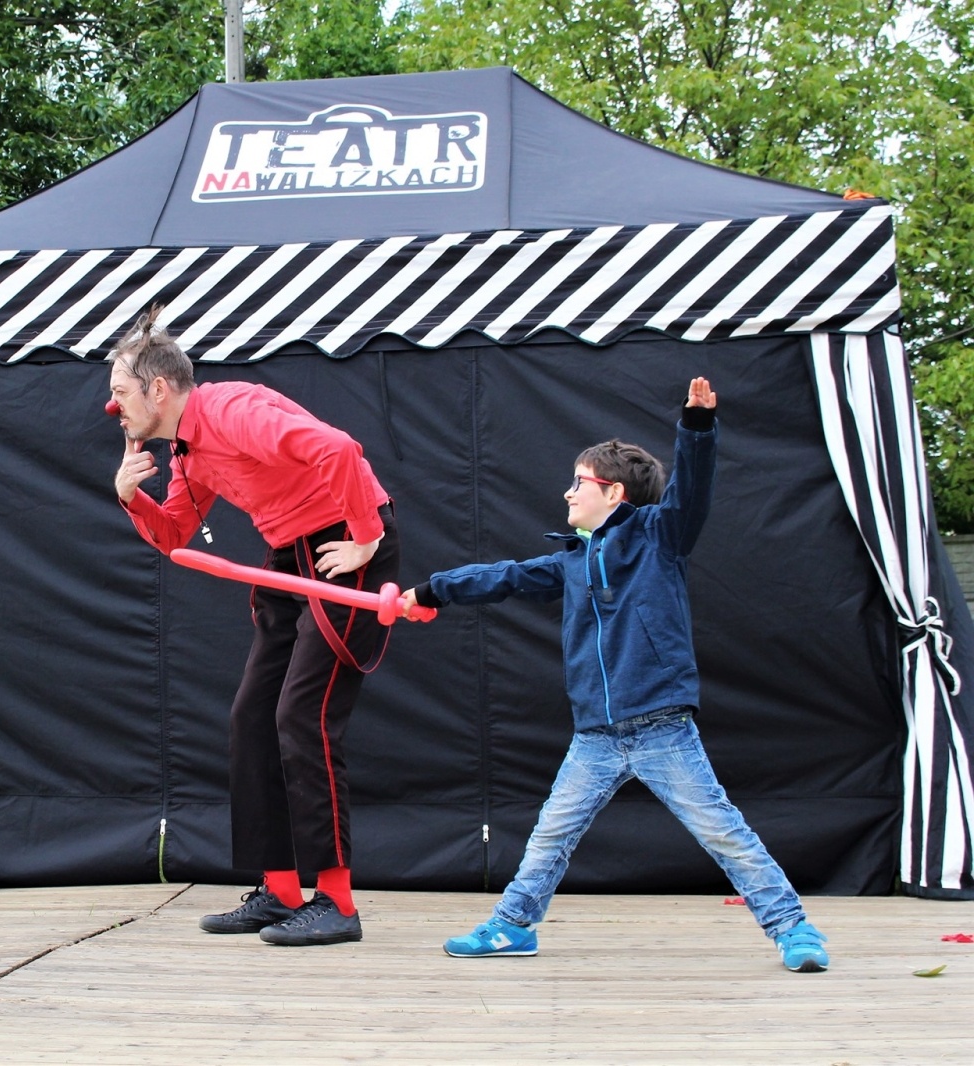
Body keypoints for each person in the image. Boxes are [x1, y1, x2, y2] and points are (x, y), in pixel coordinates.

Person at [401, 378, 830, 973]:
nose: (568, 491)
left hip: (662, 730)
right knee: (551, 837)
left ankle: (795, 932)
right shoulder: (570, 562)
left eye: (580, 482)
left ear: (615, 492)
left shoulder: (661, 537)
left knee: (724, 834)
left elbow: (693, 487)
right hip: (595, 737)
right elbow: (501, 576)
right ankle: (512, 927)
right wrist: (428, 591)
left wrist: (697, 427)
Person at [109, 307, 397, 946]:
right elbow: (177, 535)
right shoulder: (186, 450)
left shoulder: (232, 411)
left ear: (159, 389)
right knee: (251, 718)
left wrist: (367, 540)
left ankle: (337, 903)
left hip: (342, 541)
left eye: (121, 393)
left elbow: (339, 450)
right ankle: (282, 890)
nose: (115, 409)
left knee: (304, 716)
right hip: (287, 554)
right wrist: (134, 499)